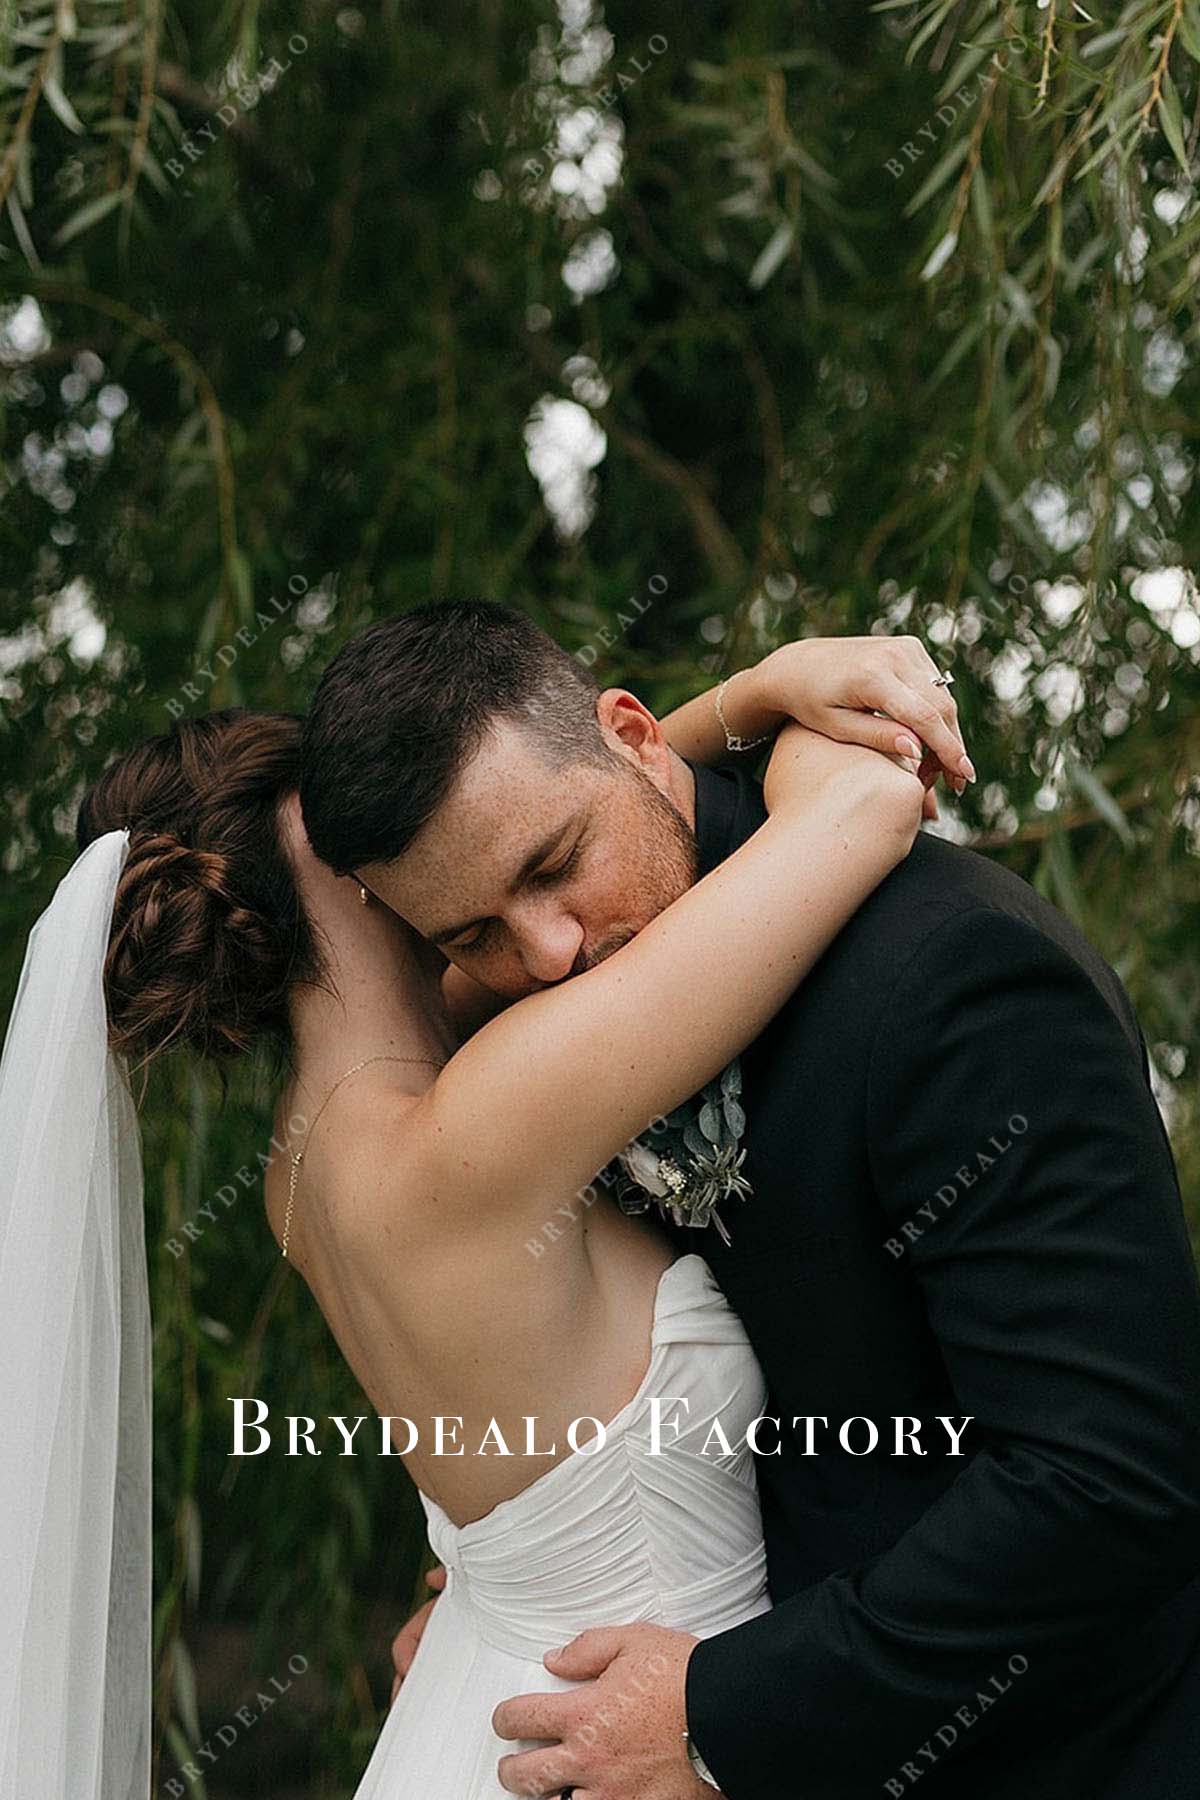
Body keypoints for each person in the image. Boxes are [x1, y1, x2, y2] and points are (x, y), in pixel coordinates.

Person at [0, 628, 942, 1800]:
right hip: (635, 1733)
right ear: (356, 874)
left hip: (489, 1686)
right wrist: (790, 714)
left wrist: (743, 694)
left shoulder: (314, 1155)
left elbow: (571, 792)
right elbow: (853, 816)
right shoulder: (487, 1118)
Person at [300, 601, 1200, 1800]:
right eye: (475, 934)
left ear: (630, 735)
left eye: (556, 866)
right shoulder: (543, 1020)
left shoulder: (955, 975)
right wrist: (498, 1598)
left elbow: (1109, 1478)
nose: (551, 954)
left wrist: (721, 1713)